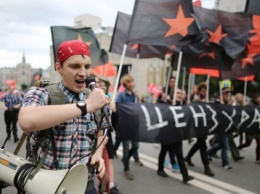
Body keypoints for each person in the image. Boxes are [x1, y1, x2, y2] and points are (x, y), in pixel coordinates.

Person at [18, 40, 111, 194]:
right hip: (44, 184)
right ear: (59, 68)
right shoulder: (43, 94)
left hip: (84, 184)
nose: (83, 73)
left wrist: (98, 153)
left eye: (87, 66)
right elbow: (26, 120)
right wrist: (84, 107)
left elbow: (102, 131)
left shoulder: (97, 99)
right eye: (75, 66)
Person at [157, 88, 194, 184]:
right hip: (166, 133)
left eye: (181, 93)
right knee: (163, 151)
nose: (179, 95)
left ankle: (185, 176)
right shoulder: (166, 104)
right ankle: (160, 169)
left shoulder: (182, 105)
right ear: (173, 94)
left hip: (177, 134)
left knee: (180, 155)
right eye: (177, 93)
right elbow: (160, 113)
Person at [96, 77, 121, 194]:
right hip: (94, 139)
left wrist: (114, 111)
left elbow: (113, 124)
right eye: (99, 84)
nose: (102, 86)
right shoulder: (89, 100)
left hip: (106, 137)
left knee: (108, 162)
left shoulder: (109, 101)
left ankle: (109, 186)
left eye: (104, 85)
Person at [115, 74, 143, 180]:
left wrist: (139, 99)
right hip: (124, 126)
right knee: (126, 149)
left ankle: (125, 159)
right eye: (130, 82)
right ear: (125, 84)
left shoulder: (135, 96)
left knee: (135, 146)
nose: (132, 84)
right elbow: (117, 109)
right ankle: (126, 169)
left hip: (134, 125)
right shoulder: (121, 96)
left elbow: (139, 108)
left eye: (133, 81)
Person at [184, 82, 215, 177]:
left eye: (205, 91)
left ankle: (188, 157)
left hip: (204, 126)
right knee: (203, 145)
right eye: (202, 91)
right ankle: (206, 167)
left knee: (199, 144)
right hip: (197, 127)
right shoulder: (195, 102)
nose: (204, 92)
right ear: (199, 91)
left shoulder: (207, 102)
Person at [207, 87, 233, 171]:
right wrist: (222, 106)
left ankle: (207, 153)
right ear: (221, 95)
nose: (228, 95)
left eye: (229, 94)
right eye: (226, 93)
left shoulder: (228, 103)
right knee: (225, 146)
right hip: (219, 127)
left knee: (222, 145)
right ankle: (225, 163)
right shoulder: (216, 103)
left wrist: (229, 105)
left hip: (227, 126)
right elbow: (215, 114)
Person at [238, 92, 260, 164]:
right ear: (255, 98)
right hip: (250, 128)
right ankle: (238, 148)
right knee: (248, 143)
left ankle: (257, 159)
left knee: (259, 144)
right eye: (258, 97)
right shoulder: (250, 105)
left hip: (258, 128)